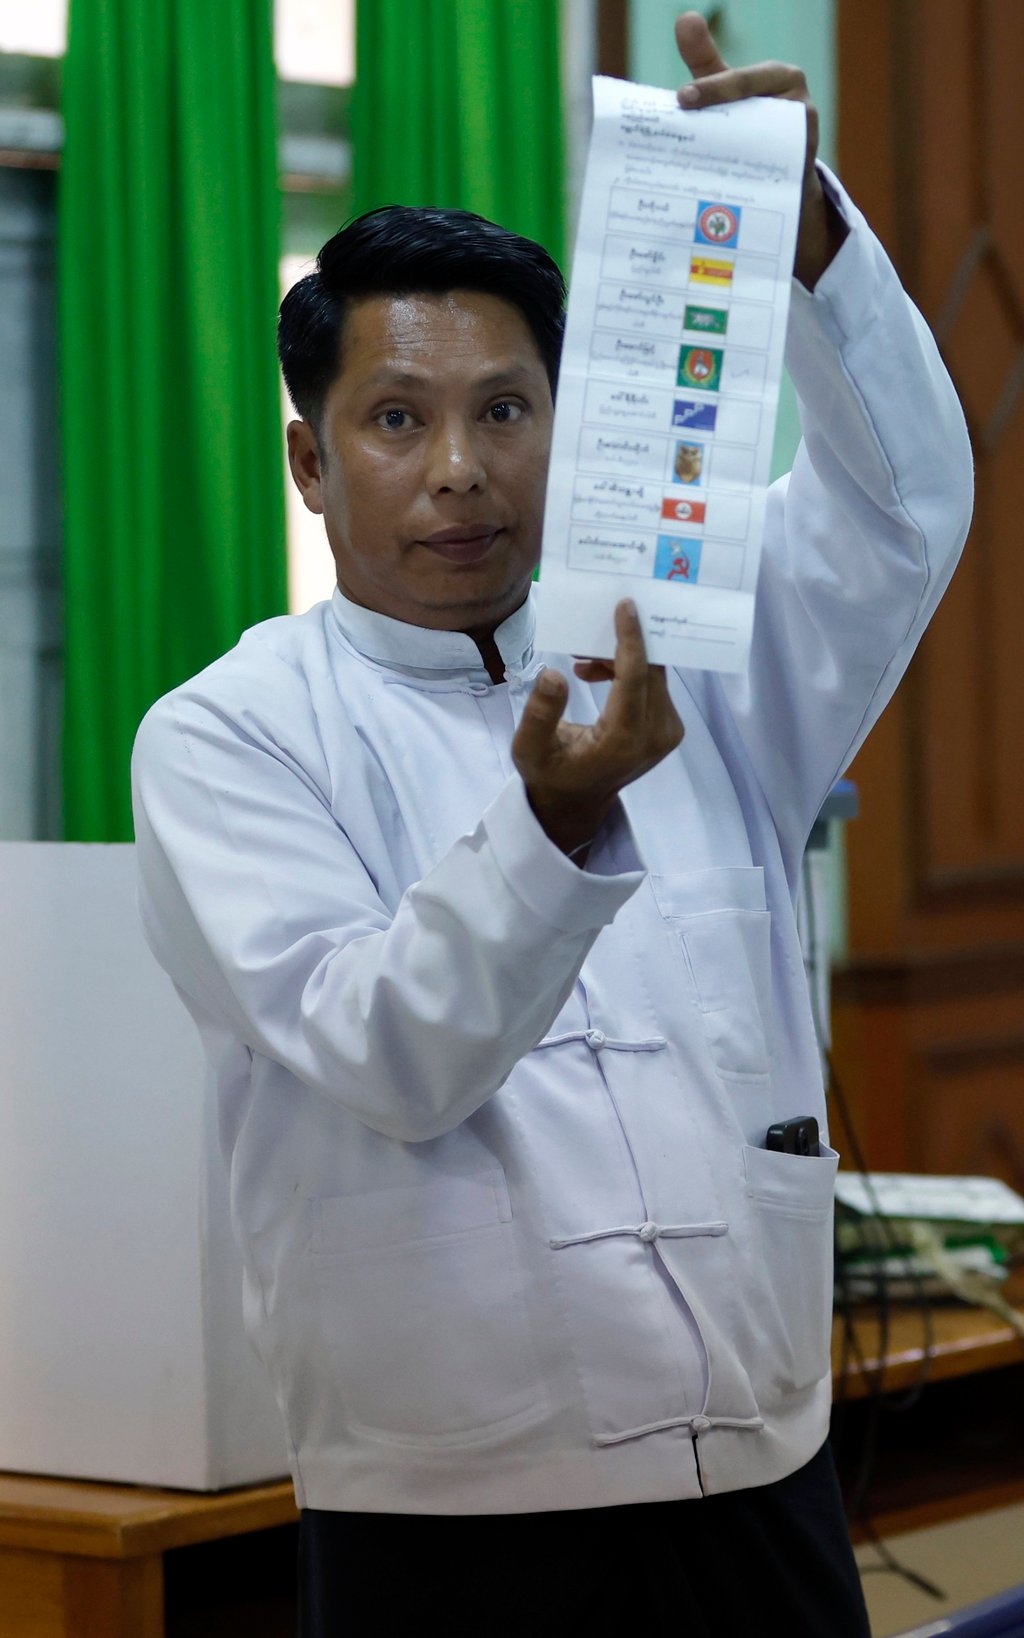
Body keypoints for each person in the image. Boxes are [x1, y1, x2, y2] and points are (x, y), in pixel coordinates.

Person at [131, 13, 972, 1635]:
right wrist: (550, 824)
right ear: (311, 460)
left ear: (564, 426)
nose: (460, 470)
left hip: (763, 1476)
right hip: (456, 1522)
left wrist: (808, 247)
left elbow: (903, 508)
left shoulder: (688, 663)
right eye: (398, 421)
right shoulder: (228, 736)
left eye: (506, 411)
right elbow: (386, 1048)